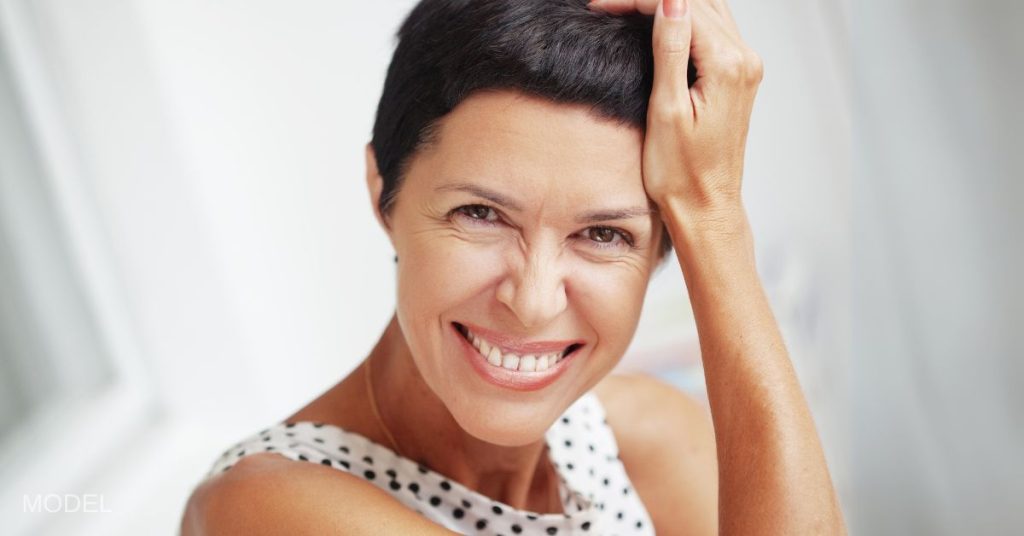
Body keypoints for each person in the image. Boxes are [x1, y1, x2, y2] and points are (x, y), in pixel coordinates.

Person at [181, 0, 845, 534]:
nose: (531, 302)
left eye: (605, 233)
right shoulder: (265, 508)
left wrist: (715, 216)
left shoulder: (649, 439)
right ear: (382, 193)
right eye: (480, 214)